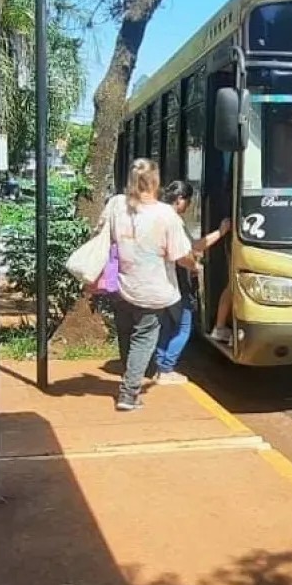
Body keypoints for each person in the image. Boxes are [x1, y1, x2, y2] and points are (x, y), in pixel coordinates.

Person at [94, 159, 195, 411]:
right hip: (150, 289)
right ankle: (129, 394)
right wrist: (196, 266)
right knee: (143, 339)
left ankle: (128, 376)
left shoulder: (116, 204)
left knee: (126, 333)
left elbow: (99, 231)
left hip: (119, 284)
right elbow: (181, 255)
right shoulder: (165, 214)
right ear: (156, 182)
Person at [155, 181, 232, 385]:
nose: (188, 206)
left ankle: (159, 365)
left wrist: (220, 232)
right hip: (178, 280)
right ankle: (165, 368)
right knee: (183, 326)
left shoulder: (159, 215)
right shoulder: (173, 221)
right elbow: (186, 253)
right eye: (188, 201)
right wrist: (194, 266)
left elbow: (194, 246)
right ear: (179, 199)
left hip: (161, 280)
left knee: (167, 324)